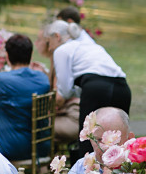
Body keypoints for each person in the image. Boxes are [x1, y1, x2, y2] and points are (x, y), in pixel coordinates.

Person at [44, 20, 131, 156]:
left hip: (95, 89)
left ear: (57, 36)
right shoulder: (89, 45)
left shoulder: (62, 50)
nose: (49, 48)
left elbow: (65, 91)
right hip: (122, 88)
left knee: (89, 141)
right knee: (121, 141)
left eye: (49, 42)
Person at [0, 34, 50, 160]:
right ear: (31, 55)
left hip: (9, 146)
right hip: (41, 145)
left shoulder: (2, 79)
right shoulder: (42, 78)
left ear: (7, 56)